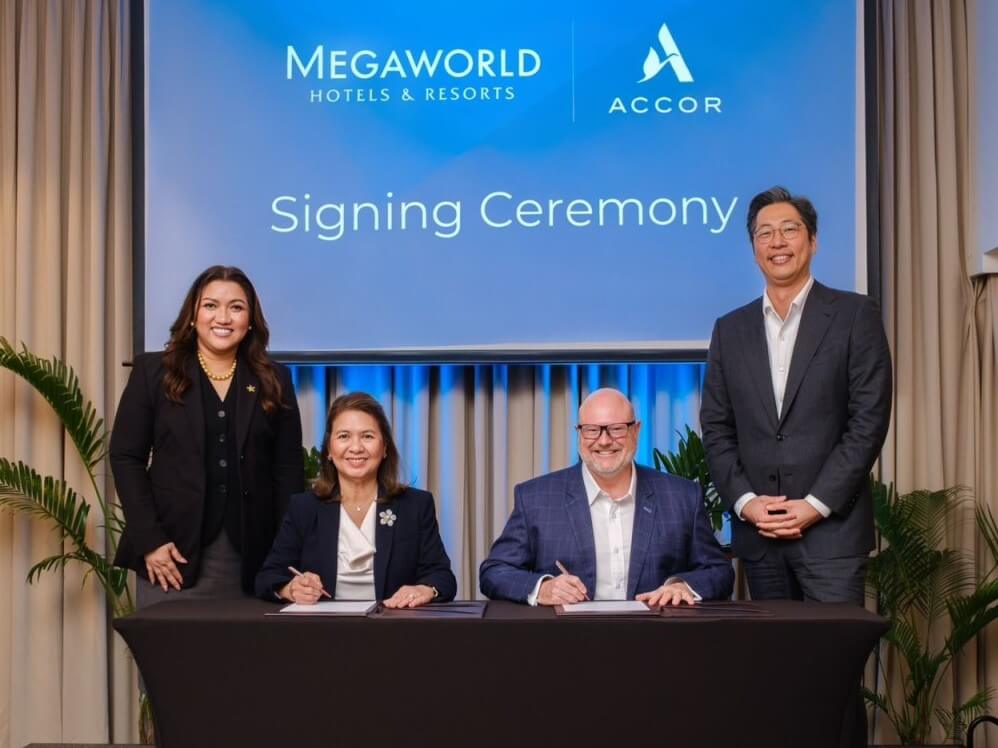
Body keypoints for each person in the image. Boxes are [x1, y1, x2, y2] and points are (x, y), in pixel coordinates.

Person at [700, 186, 892, 605]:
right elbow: (715, 427)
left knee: (833, 666)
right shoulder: (730, 330)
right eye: (764, 234)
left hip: (831, 536)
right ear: (754, 249)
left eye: (790, 229)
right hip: (760, 537)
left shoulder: (855, 315)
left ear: (813, 240)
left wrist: (816, 504)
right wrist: (747, 503)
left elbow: (868, 421)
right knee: (772, 667)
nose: (777, 242)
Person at [110, 265, 304, 604]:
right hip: (170, 556)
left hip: (252, 561)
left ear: (250, 320)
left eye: (237, 307)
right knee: (169, 657)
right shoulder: (152, 372)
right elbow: (126, 458)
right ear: (192, 315)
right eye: (211, 305)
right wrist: (150, 540)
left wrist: (284, 553)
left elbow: (288, 472)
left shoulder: (276, 379)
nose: (223, 317)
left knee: (246, 658)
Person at [479, 388, 733, 606]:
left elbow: (719, 571)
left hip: (657, 644)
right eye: (591, 430)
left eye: (616, 429)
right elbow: (494, 572)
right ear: (579, 433)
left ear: (636, 430)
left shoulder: (683, 497)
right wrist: (542, 587)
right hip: (565, 646)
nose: (603, 441)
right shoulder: (535, 498)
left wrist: (683, 586)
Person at [256, 392, 457, 607]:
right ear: (329, 450)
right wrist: (291, 589)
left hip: (394, 630)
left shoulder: (415, 505)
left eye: (367, 436)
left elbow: (442, 577)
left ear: (385, 448)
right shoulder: (304, 507)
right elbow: (268, 576)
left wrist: (424, 589)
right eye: (344, 436)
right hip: (320, 632)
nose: (356, 447)